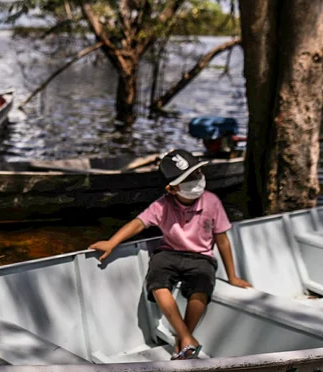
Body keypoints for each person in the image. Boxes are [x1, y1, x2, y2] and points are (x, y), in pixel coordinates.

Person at [89, 149, 251, 360]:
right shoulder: (162, 205)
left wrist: (232, 276)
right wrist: (112, 242)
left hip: (201, 256)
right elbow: (138, 223)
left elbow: (222, 240)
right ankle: (185, 336)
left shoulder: (212, 202)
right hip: (169, 253)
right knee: (157, 283)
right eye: (188, 179)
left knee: (201, 289)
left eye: (197, 174)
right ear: (171, 188)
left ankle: (183, 337)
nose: (196, 181)